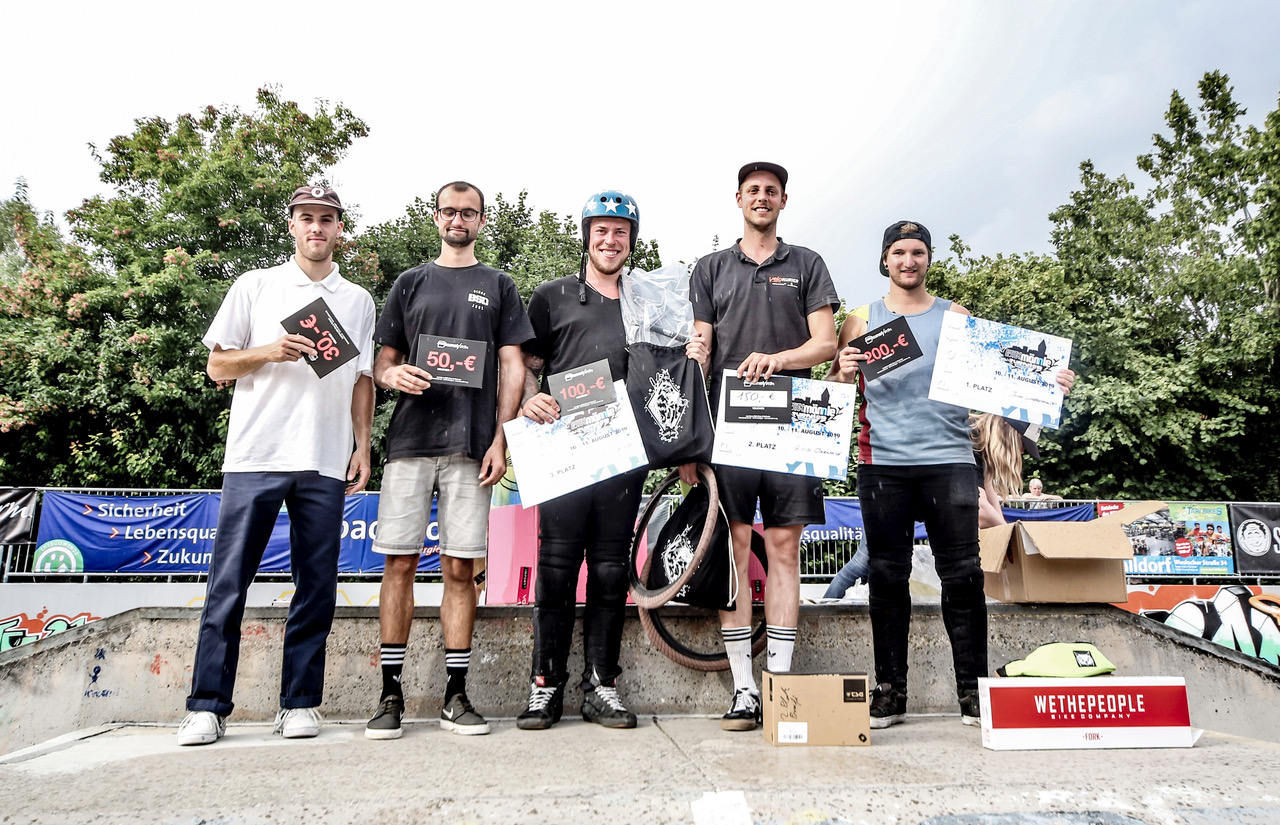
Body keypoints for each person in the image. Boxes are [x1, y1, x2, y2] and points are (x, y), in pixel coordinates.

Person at [827, 220, 1074, 729]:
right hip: (882, 464)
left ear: (928, 259)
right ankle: (890, 693)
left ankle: (973, 693)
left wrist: (1049, 385)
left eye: (917, 252)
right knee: (886, 578)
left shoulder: (957, 317)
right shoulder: (859, 320)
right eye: (899, 252)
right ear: (885, 260)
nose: (908, 261)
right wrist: (840, 372)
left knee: (962, 577)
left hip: (950, 461)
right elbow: (834, 392)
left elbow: (1002, 378)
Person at [178, 185, 376, 745]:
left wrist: (362, 446)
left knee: (317, 586)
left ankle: (299, 703)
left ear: (339, 228)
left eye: (327, 220)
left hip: (324, 459)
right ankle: (207, 706)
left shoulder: (358, 299)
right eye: (307, 218)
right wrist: (270, 350)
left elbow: (363, 380)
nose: (317, 228)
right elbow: (218, 367)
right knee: (229, 583)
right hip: (255, 455)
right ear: (291, 225)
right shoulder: (255, 284)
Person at [364, 181, 533, 740]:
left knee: (461, 569)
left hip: (472, 447)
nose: (458, 219)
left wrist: (501, 440)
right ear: (435, 218)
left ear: (481, 220)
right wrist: (393, 375)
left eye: (468, 212)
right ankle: (390, 695)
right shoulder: (410, 282)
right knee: (399, 564)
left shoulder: (499, 285)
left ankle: (455, 696)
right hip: (410, 443)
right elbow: (382, 363)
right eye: (449, 211)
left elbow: (514, 367)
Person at [685, 161, 839, 731]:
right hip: (728, 427)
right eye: (753, 190)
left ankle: (779, 681)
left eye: (771, 191)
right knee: (733, 548)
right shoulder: (710, 268)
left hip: (793, 422)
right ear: (738, 199)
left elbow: (825, 344)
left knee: (783, 548)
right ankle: (744, 691)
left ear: (783, 201)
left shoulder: (807, 263)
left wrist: (778, 359)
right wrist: (689, 430)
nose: (762, 198)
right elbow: (701, 344)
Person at [515, 190, 668, 730]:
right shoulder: (552, 295)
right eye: (601, 230)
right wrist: (528, 398)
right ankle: (545, 685)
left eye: (621, 231)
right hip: (564, 448)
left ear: (632, 240)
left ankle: (602, 685)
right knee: (556, 568)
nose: (610, 240)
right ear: (586, 237)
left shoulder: (646, 302)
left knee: (609, 569)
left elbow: (667, 366)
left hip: (623, 452)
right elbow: (525, 364)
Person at [821, 413, 1038, 600]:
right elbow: (979, 506)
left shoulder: (981, 444)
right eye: (1023, 445)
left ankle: (832, 608)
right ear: (1009, 431)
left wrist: (1006, 534)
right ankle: (824, 611)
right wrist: (1013, 539)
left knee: (872, 564)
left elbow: (989, 498)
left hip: (908, 492)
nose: (1022, 453)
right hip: (895, 485)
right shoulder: (969, 437)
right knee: (864, 562)